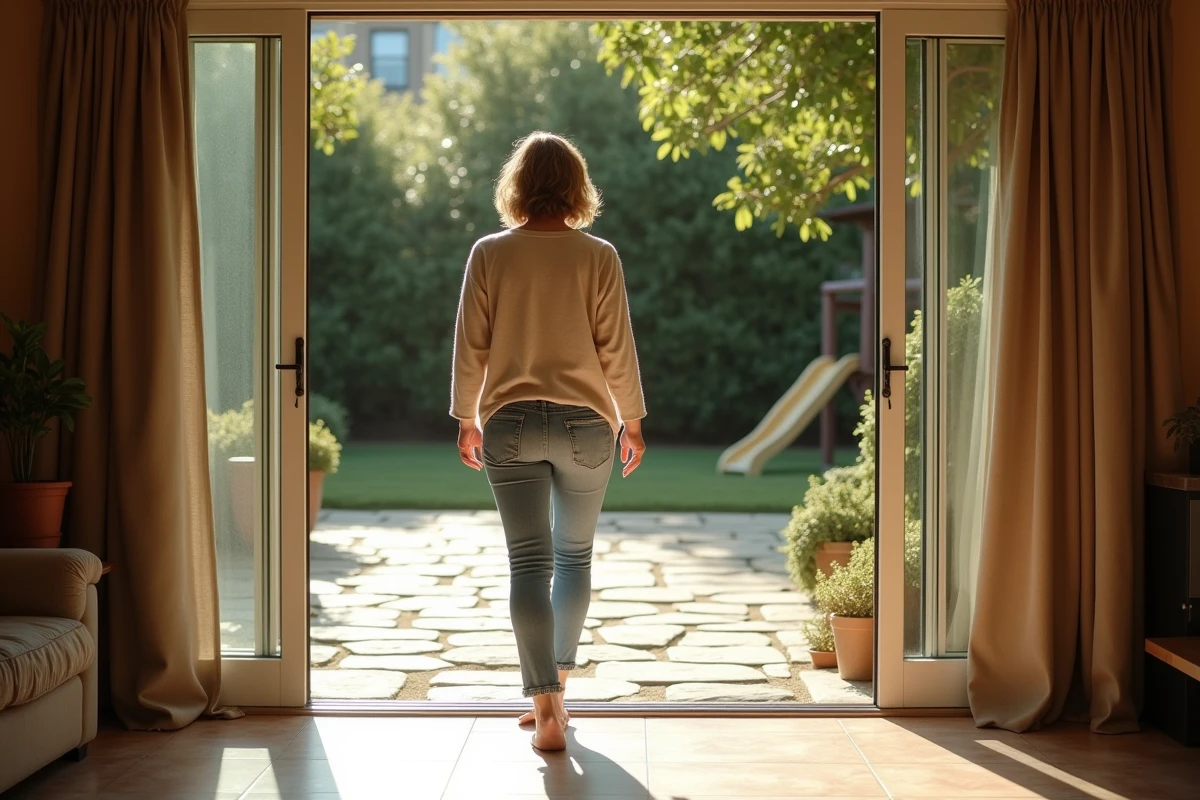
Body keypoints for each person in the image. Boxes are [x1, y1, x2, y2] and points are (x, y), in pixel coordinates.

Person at [450, 131, 647, 751]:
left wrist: (465, 416)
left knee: (529, 563)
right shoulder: (599, 256)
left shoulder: (489, 252)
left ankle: (545, 705)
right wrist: (632, 420)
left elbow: (470, 344)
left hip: (508, 422)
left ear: (518, 186)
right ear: (576, 187)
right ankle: (558, 691)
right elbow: (616, 346)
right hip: (587, 426)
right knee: (575, 557)